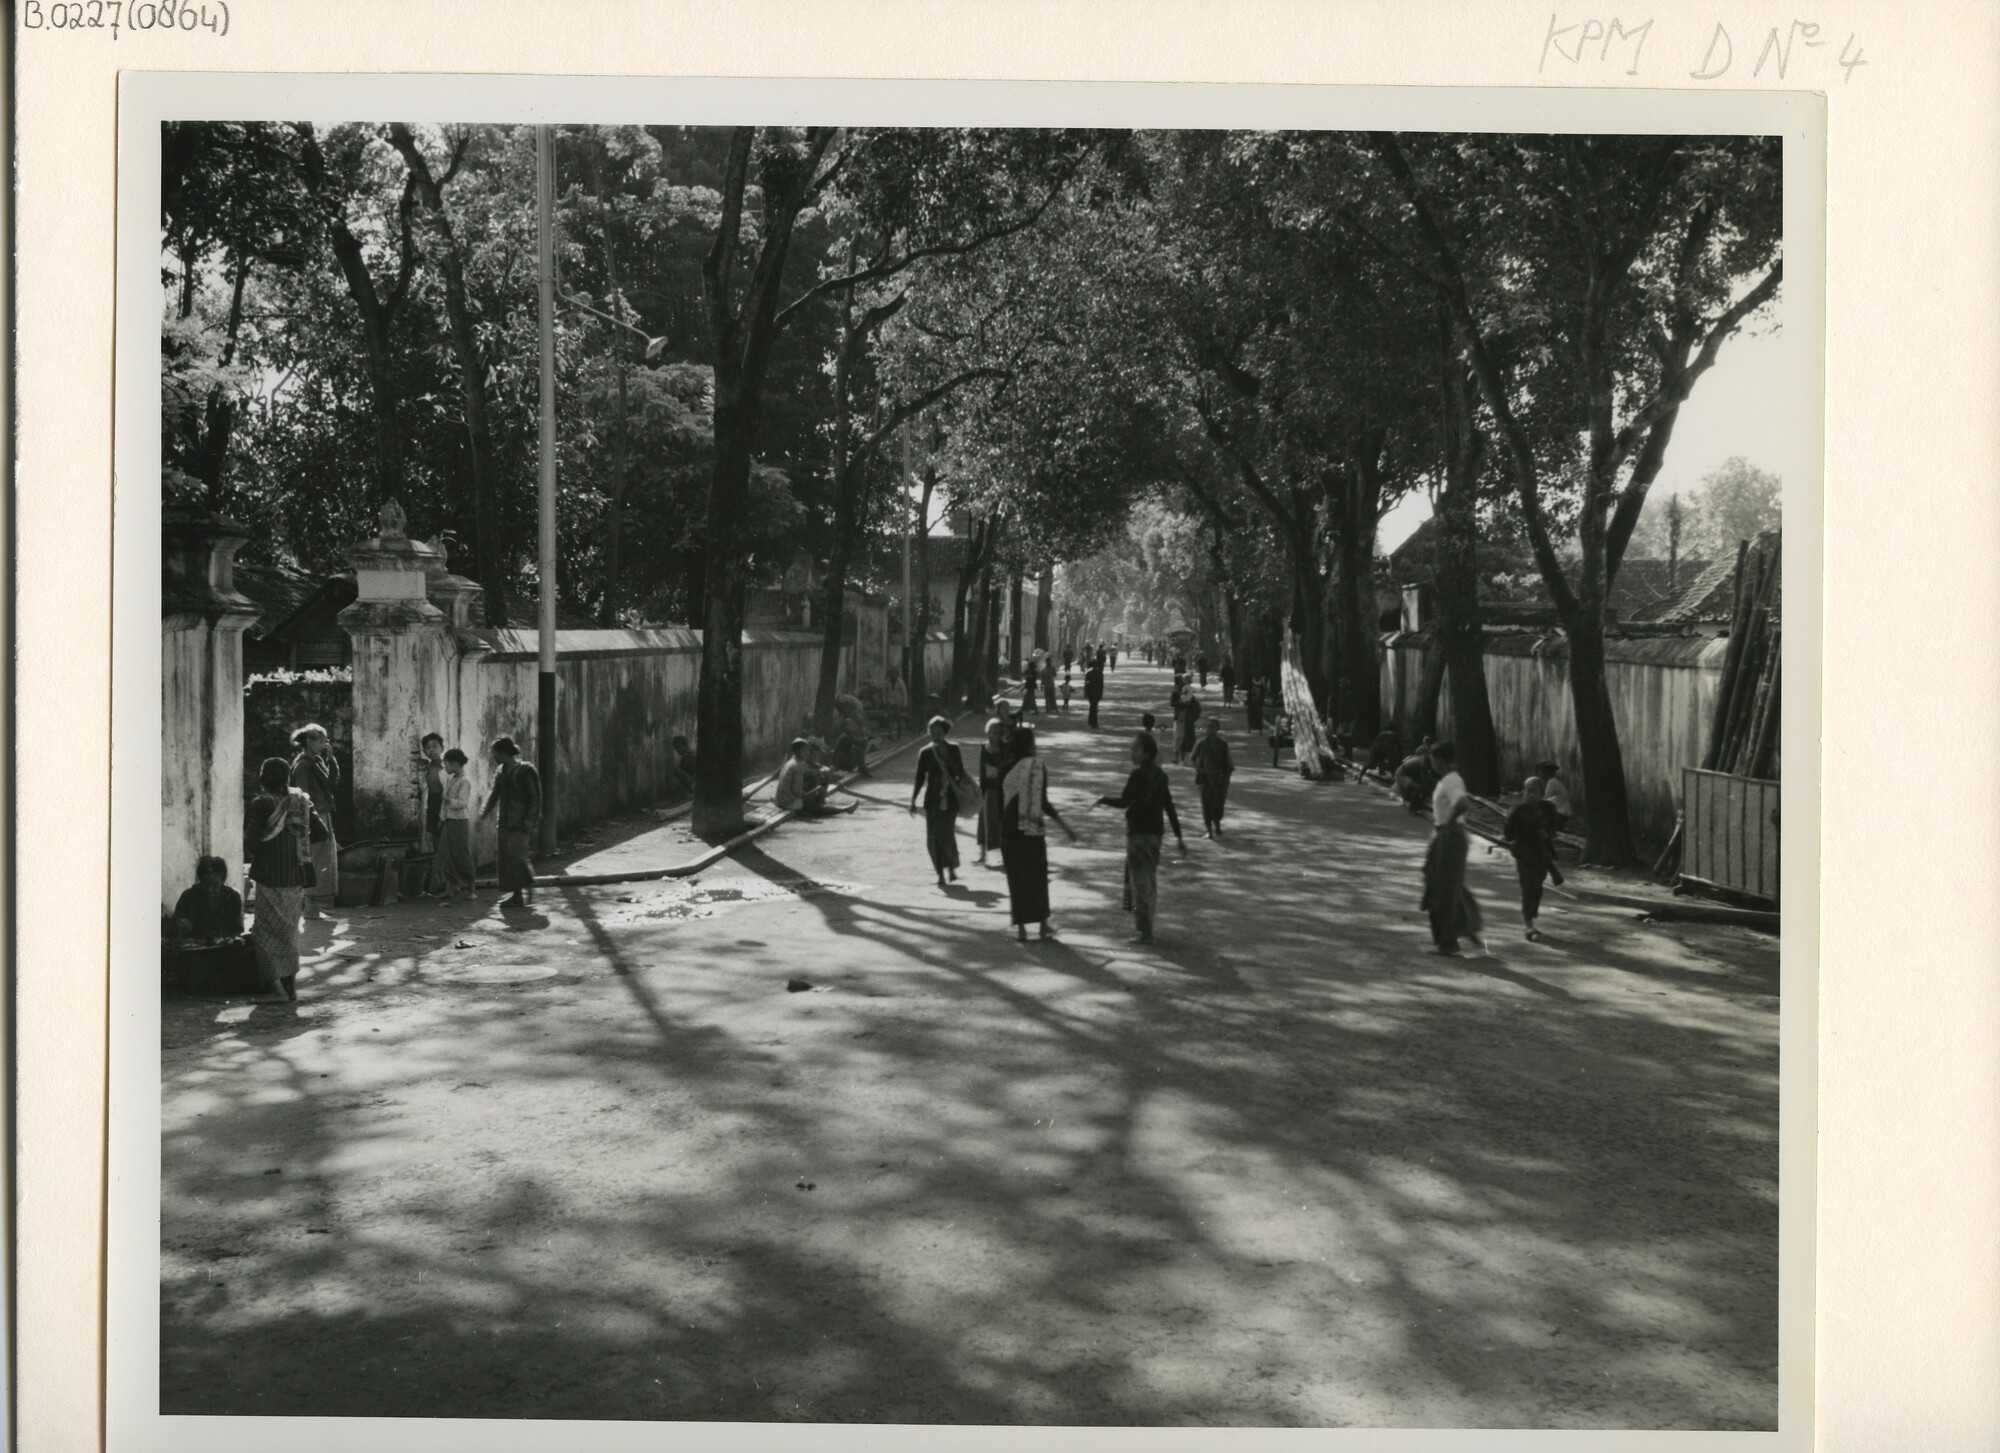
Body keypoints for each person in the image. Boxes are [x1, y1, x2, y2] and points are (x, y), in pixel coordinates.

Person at [244, 756, 322, 1002]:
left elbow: (250, 843)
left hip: (270, 877)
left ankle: (277, 991)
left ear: (263, 778)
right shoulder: (301, 800)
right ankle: (291, 989)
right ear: (287, 777)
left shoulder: (262, 803)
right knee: (288, 933)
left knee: (264, 934)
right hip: (296, 875)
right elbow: (321, 831)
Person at [1098, 731, 1185, 945]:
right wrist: (1179, 836)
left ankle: (1144, 931)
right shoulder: (1161, 776)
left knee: (1138, 883)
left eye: (1135, 749)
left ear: (1146, 753)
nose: (1131, 753)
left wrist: (1104, 800)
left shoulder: (1137, 775)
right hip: (1156, 834)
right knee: (1149, 879)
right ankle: (1148, 926)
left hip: (1137, 834)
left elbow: (1125, 801)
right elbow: (1169, 807)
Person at [999, 725, 1076, 942]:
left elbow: (999, 805)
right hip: (1032, 830)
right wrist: (1065, 826)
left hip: (1009, 830)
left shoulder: (1004, 769)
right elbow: (1043, 802)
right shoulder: (1038, 767)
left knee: (1016, 880)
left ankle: (1022, 930)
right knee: (1037, 877)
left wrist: (998, 833)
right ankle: (1043, 926)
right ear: (1031, 746)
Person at [1420, 741, 1487, 957]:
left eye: (1433, 759)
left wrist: (1447, 823)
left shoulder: (1452, 780)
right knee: (1443, 882)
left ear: (1440, 759)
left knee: (1444, 889)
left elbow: (1463, 804)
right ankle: (1468, 925)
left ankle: (1449, 941)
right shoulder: (1447, 780)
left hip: (1451, 837)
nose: (1432, 763)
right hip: (1444, 835)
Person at [480, 735, 542, 910]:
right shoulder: (501, 772)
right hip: (505, 821)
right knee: (507, 860)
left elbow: (534, 797)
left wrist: (530, 819)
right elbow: (494, 795)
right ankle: (517, 896)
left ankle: (527, 886)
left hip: (521, 822)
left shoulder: (526, 770)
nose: (493, 756)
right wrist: (483, 814)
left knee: (517, 857)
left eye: (495, 753)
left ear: (503, 752)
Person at [909, 715, 968, 889]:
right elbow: (920, 777)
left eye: (939, 733)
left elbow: (960, 773)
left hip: (950, 797)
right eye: (933, 733)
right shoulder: (925, 752)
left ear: (945, 732)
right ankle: (940, 873)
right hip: (933, 798)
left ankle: (951, 869)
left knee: (947, 833)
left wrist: (947, 759)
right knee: (932, 837)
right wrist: (913, 800)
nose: (936, 736)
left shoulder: (954, 749)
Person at [289, 723, 341, 918]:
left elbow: (332, 782)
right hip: (313, 815)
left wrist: (331, 759)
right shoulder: (302, 764)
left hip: (323, 813)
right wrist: (311, 821)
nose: (324, 744)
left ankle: (315, 907)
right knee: (316, 860)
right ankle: (310, 908)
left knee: (323, 859)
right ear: (309, 742)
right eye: (320, 741)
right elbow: (303, 796)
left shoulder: (317, 760)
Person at [1503, 777, 1558, 940]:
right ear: (1523, 791)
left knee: (1537, 888)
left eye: (1535, 791)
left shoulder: (1548, 808)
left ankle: (1531, 914)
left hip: (1542, 854)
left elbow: (1554, 827)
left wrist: (1545, 833)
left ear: (1542, 793)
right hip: (1524, 855)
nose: (1531, 794)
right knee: (1528, 888)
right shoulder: (1517, 810)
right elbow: (1508, 833)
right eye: (1528, 790)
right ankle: (1528, 925)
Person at [432, 748, 477, 898]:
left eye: (447, 764)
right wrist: (442, 818)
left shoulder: (465, 781)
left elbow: (462, 803)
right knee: (445, 854)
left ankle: (471, 888)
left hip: (459, 821)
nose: (445, 767)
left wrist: (447, 800)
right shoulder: (452, 779)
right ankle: (451, 888)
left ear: (455, 763)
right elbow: (445, 805)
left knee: (461, 854)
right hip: (449, 820)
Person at [1190, 716, 1234, 837]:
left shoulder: (1222, 744)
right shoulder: (1201, 743)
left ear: (1217, 729)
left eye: (1213, 727)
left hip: (1219, 779)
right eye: (1208, 727)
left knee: (1218, 804)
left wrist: (1227, 780)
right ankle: (1209, 830)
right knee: (1206, 805)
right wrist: (1198, 769)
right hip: (1204, 779)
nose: (1210, 730)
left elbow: (1228, 765)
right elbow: (1192, 758)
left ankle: (1217, 825)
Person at [975, 717, 1011, 868]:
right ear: (988, 733)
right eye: (992, 732)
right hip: (988, 789)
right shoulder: (985, 748)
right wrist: (981, 790)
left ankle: (1004, 855)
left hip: (1002, 790)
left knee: (1002, 823)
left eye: (997, 732)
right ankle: (982, 855)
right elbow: (982, 770)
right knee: (984, 822)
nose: (995, 735)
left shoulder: (1006, 748)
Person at [776, 738, 841, 816]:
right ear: (796, 752)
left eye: (807, 750)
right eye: (804, 751)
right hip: (788, 803)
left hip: (780, 801)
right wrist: (814, 793)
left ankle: (841, 808)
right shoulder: (797, 766)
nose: (807, 753)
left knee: (816, 791)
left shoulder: (791, 762)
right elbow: (797, 792)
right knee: (817, 802)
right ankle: (844, 809)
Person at [1537, 759, 1573, 834]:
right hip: (1564, 814)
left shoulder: (1552, 782)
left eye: (1543, 772)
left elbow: (1545, 797)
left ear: (1547, 772)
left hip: (1561, 814)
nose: (1542, 774)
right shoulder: (1555, 781)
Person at [1175, 688, 1202, 765]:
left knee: (1183, 740)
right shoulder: (1191, 699)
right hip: (1188, 721)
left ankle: (1183, 759)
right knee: (1190, 740)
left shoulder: (1182, 699)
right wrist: (1194, 718)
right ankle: (1192, 759)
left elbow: (1177, 710)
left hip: (1184, 721)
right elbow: (1198, 709)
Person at [668, 734, 698, 799]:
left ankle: (694, 793)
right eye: (675, 748)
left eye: (678, 747)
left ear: (685, 745)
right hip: (696, 783)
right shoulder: (686, 755)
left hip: (698, 783)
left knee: (677, 771)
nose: (677, 750)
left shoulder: (689, 755)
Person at [1083, 656, 1105, 728]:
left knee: (1094, 707)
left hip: (1096, 692)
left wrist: (1101, 693)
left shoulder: (1099, 674)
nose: (1094, 666)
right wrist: (1086, 692)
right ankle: (1093, 722)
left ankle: (1092, 721)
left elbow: (1101, 684)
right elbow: (1086, 684)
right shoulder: (1090, 674)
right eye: (1094, 665)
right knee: (1094, 707)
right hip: (1091, 692)